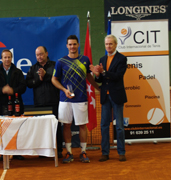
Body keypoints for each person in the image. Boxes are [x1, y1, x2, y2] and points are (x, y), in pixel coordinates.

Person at [51, 35, 99, 163]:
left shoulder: (85, 60)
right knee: (66, 126)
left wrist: (98, 88)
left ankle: (83, 152)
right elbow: (54, 79)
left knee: (82, 126)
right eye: (70, 44)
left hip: (81, 98)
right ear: (67, 46)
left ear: (78, 45)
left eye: (74, 44)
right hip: (65, 100)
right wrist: (64, 90)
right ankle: (69, 152)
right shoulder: (61, 62)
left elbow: (89, 77)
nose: (72, 46)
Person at [90, 34, 127, 162]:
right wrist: (97, 74)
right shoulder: (102, 59)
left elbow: (118, 76)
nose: (108, 46)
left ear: (116, 44)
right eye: (106, 44)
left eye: (111, 44)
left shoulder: (122, 59)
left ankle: (121, 152)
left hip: (117, 95)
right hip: (105, 97)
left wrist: (104, 72)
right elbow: (100, 79)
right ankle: (105, 152)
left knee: (120, 126)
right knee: (104, 125)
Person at [26, 46, 63, 158]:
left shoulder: (54, 65)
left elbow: (59, 80)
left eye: (41, 54)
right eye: (37, 55)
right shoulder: (33, 68)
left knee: (56, 127)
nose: (39, 57)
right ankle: (42, 152)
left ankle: (59, 150)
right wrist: (39, 79)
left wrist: (45, 76)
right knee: (40, 128)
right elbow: (28, 83)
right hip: (39, 104)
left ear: (46, 53)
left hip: (54, 102)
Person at [0, 49, 27, 161]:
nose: (7, 59)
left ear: (11, 58)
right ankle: (3, 152)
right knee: (3, 129)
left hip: (16, 104)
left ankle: (16, 152)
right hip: (0, 105)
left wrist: (13, 90)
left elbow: (23, 87)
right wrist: (2, 90)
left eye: (9, 57)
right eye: (5, 57)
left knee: (16, 128)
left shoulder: (18, 72)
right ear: (1, 59)